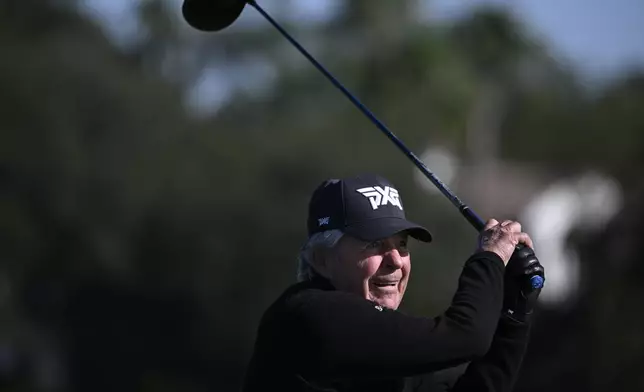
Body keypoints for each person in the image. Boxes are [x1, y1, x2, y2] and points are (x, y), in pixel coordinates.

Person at [242, 174, 545, 392]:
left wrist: (515, 310)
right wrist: (490, 259)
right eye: (374, 244)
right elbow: (466, 337)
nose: (396, 260)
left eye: (402, 245)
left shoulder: (386, 352)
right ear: (322, 260)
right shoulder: (307, 316)